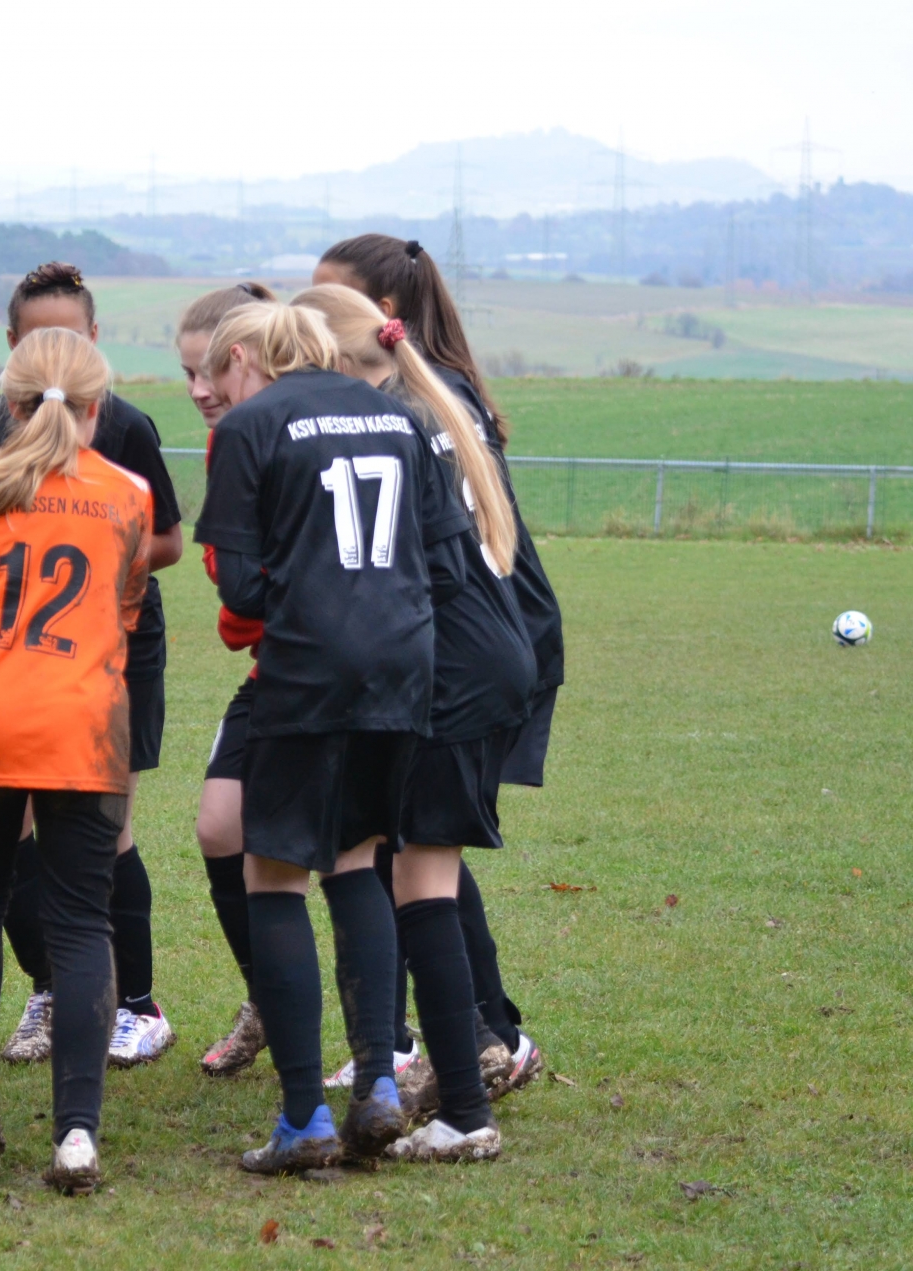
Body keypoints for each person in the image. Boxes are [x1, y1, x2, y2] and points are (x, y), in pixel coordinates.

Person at [195, 300, 479, 1171]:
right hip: (403, 667)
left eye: (215, 370)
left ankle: (303, 1119)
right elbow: (447, 559)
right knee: (358, 859)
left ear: (247, 358)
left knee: (273, 873)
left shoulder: (251, 426)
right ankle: (381, 1085)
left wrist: (307, 597)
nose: (212, 388)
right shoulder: (399, 415)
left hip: (308, 669)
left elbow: (238, 585)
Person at [291, 282, 532, 1161]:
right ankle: (462, 1093)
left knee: (421, 886)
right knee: (421, 879)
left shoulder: (388, 426)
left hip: (453, 672)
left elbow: (405, 572)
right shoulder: (428, 410)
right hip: (488, 656)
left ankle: (465, 1110)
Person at [0, 327, 152, 1195]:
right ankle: (76, 1136)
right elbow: (124, 609)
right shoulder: (130, 495)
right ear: (97, 410)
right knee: (81, 923)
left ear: (9, 403)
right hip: (83, 726)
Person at [0, 263, 184, 1070]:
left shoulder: (124, 424)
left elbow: (168, 538)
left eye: (69, 337)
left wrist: (100, 560)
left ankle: (138, 1006)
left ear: (94, 340)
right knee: (13, 823)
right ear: (11, 344)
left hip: (118, 646)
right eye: (37, 339)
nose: (55, 355)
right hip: (24, 647)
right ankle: (52, 987)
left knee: (106, 826)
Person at [171, 282, 288, 1078]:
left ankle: (397, 1037)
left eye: (209, 370)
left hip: (328, 671)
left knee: (360, 852)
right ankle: (268, 1001)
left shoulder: (285, 434)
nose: (198, 389)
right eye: (186, 372)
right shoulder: (228, 441)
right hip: (270, 669)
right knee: (221, 826)